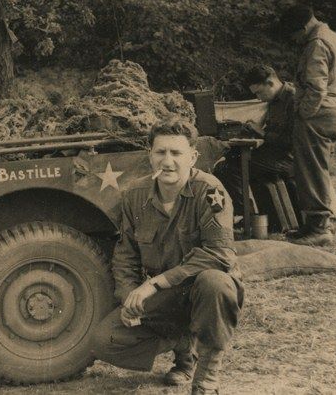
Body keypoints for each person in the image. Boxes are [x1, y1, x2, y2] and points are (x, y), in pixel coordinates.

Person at [91, 120, 244, 395]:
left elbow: (219, 255)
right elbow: (125, 256)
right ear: (150, 155)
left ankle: (206, 376)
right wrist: (128, 297)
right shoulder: (135, 196)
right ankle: (185, 345)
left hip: (202, 290)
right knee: (105, 340)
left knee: (215, 282)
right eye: (160, 152)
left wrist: (155, 282)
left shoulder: (210, 192)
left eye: (176, 153)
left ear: (193, 157)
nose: (168, 161)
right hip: (169, 295)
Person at [280, 5, 336, 246]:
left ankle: (318, 228)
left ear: (303, 28)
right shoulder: (335, 38)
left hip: (317, 114)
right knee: (317, 167)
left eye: (294, 36)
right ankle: (314, 225)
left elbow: (316, 88)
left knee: (310, 169)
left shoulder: (317, 43)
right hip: (332, 111)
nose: (295, 41)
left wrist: (302, 114)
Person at [215, 65, 299, 223]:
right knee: (226, 163)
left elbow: (292, 141)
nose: (259, 98)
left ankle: (248, 218)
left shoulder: (293, 99)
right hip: (275, 155)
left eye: (259, 92)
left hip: (289, 158)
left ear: (271, 83)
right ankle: (254, 217)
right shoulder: (274, 100)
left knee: (230, 169)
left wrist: (262, 133)